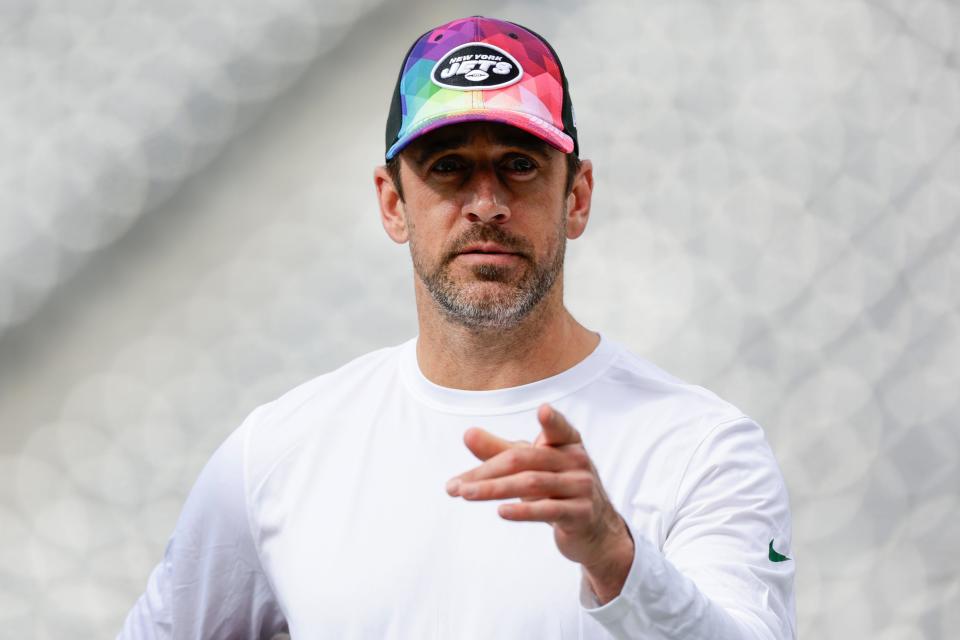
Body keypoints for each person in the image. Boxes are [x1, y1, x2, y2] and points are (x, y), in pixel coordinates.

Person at [120, 15, 796, 639]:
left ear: (578, 197)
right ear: (392, 204)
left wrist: (617, 557)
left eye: (520, 165)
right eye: (448, 168)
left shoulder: (702, 449)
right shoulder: (277, 453)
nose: (486, 204)